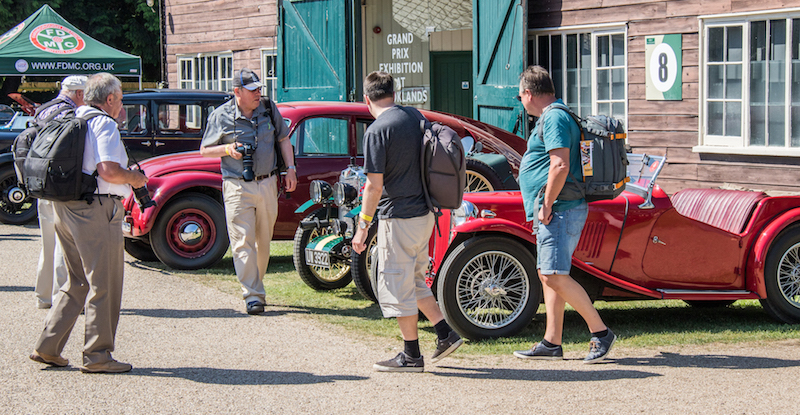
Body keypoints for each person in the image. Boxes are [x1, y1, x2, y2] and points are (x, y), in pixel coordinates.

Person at [30, 72, 148, 373]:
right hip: (97, 208)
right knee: (104, 282)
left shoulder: (72, 116)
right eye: (120, 99)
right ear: (109, 99)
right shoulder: (103, 123)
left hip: (65, 205)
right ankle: (98, 355)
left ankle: (48, 347)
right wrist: (135, 178)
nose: (121, 106)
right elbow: (108, 170)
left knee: (75, 281)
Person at [352, 71, 462, 373]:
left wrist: (362, 227)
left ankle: (411, 355)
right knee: (413, 281)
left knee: (397, 285)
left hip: (398, 217)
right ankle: (445, 334)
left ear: (366, 99)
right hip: (425, 214)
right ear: (394, 95)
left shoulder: (376, 131)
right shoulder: (414, 116)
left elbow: (374, 186)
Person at [513, 65, 616, 364]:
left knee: (553, 275)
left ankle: (601, 333)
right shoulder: (556, 114)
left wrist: (545, 203)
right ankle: (552, 342)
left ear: (529, 94)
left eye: (521, 95)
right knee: (550, 277)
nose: (521, 101)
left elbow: (559, 165)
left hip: (558, 210)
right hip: (557, 210)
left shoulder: (555, 117)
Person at [200, 68, 296, 315]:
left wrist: (291, 169)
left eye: (259, 88)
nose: (258, 93)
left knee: (263, 241)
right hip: (236, 184)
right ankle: (253, 295)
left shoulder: (268, 108)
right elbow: (204, 151)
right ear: (237, 92)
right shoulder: (220, 116)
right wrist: (227, 149)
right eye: (252, 90)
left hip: (268, 182)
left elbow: (284, 140)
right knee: (242, 242)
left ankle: (257, 284)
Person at [33, 75, 87, 309]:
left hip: (40, 182)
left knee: (47, 243)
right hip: (60, 186)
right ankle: (61, 298)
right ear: (79, 94)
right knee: (64, 245)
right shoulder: (71, 114)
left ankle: (43, 296)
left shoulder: (44, 110)